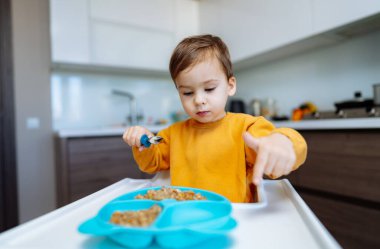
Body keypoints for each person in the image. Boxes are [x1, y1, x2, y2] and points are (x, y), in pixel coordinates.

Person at [123, 34, 307, 203]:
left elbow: (283, 146)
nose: (199, 100)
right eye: (187, 92)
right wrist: (143, 141)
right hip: (186, 214)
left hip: (236, 217)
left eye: (209, 89)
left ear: (230, 85)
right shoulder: (173, 134)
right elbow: (151, 163)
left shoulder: (246, 127)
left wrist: (282, 142)